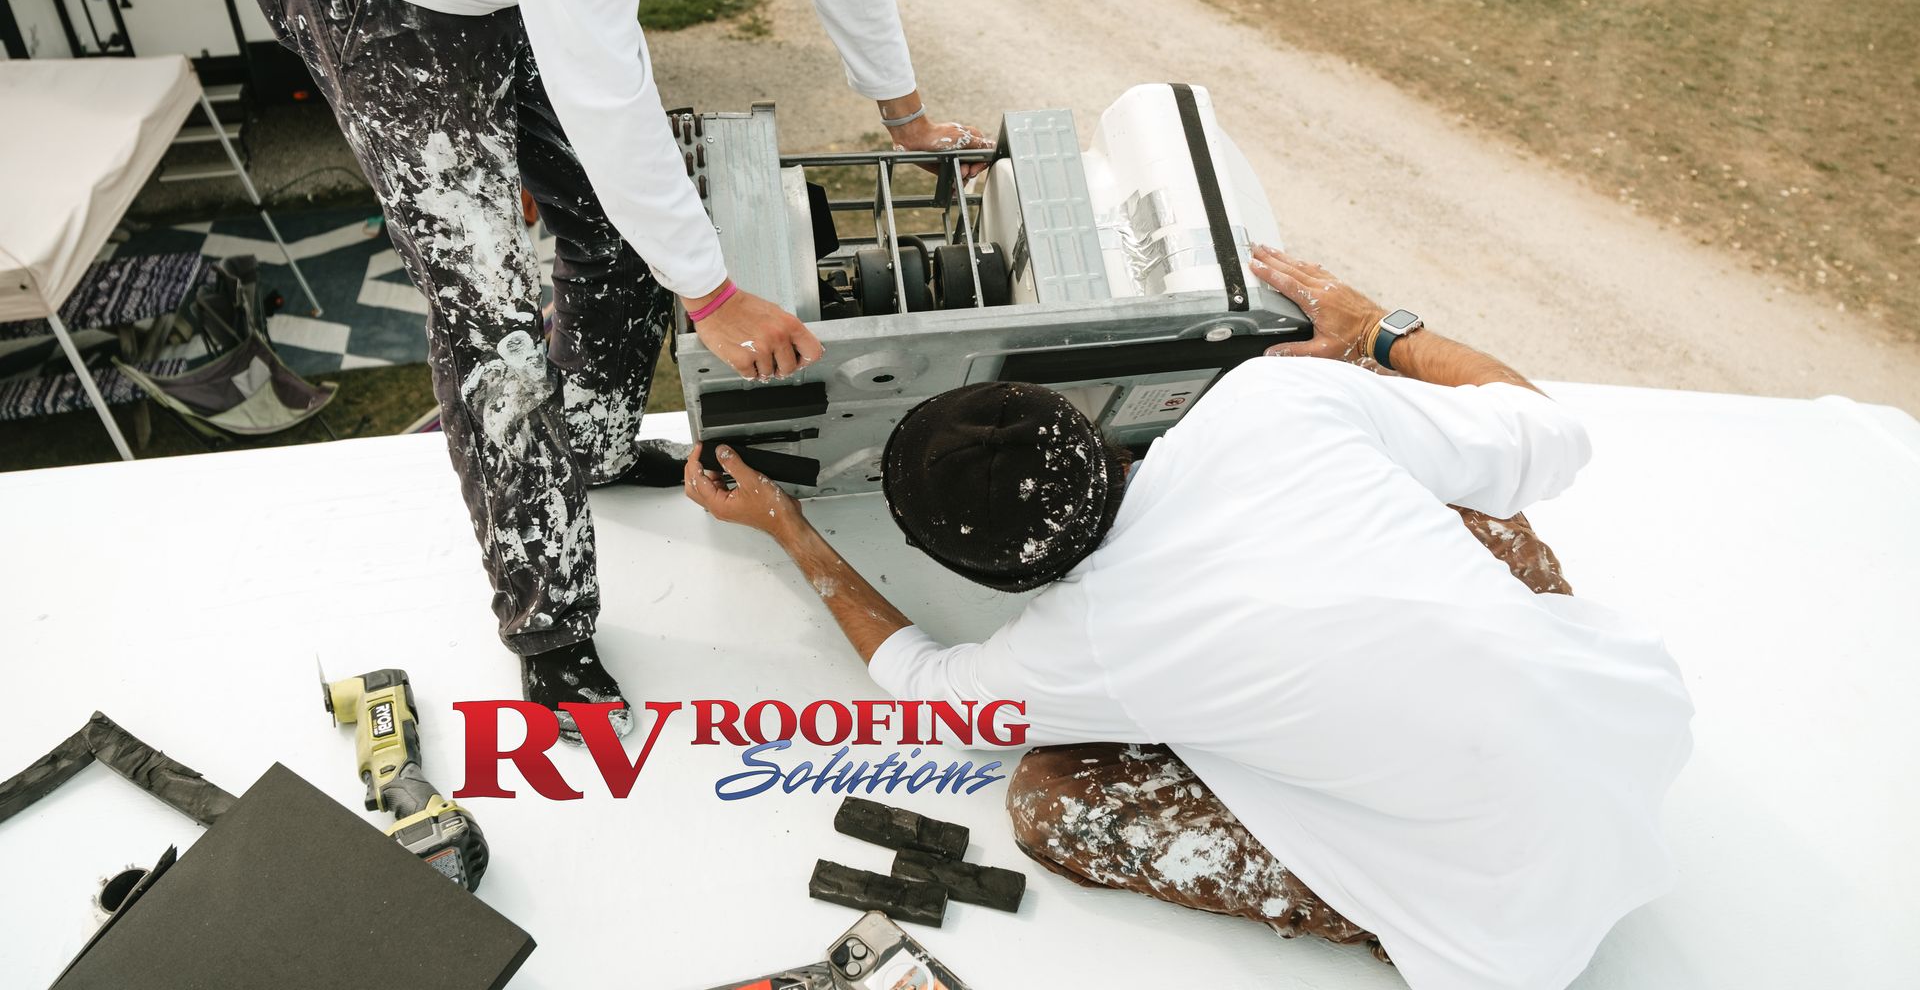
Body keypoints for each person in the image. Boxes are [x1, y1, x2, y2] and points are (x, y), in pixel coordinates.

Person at [236, 0, 983, 737]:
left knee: (632, 229)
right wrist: (710, 292)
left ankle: (585, 449)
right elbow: (588, 28)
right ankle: (548, 624)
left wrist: (901, 110)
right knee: (489, 305)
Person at [686, 245, 1694, 990]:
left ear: (971, 568)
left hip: (1507, 927)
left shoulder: (1084, 647)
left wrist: (789, 527)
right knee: (1442, 464)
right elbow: (1551, 431)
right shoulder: (1277, 399)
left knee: (1049, 800)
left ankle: (1385, 910)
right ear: (1091, 430)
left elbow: (925, 686)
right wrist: (1382, 331)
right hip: (1631, 720)